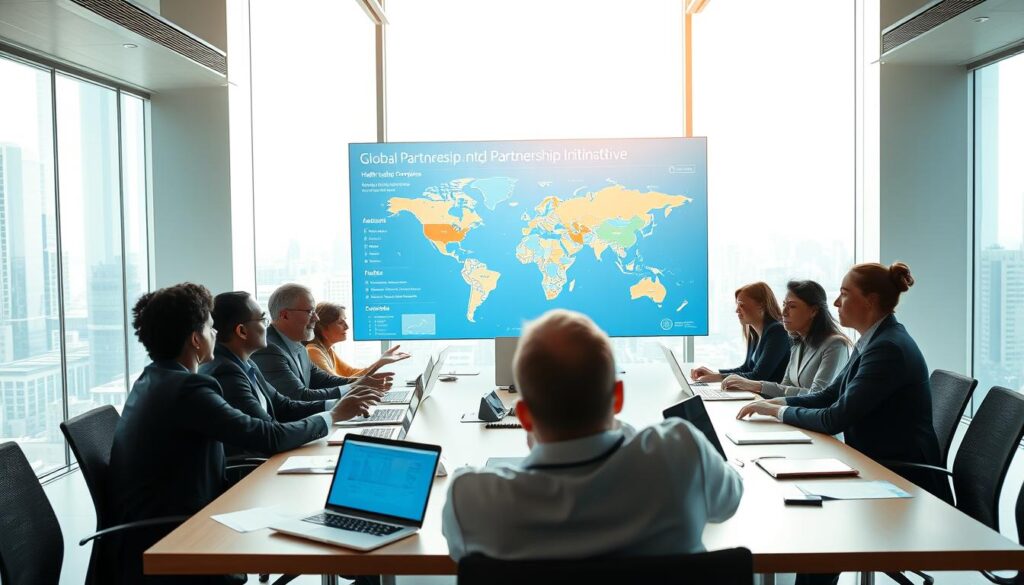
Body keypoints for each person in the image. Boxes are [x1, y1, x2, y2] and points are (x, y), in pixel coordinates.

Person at [107, 283, 370, 585]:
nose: (216, 333)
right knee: (335, 523)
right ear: (195, 339)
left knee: (327, 517)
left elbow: (281, 409)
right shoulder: (187, 390)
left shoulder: (156, 379)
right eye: (209, 327)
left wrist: (333, 411)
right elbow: (265, 436)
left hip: (184, 515)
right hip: (178, 533)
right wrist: (333, 416)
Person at [441, 309, 742, 561]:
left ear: (523, 417)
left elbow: (457, 551)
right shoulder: (680, 452)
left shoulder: (470, 499)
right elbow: (728, 502)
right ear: (618, 397)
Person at [737, 263, 945, 585]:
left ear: (870, 301)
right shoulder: (873, 340)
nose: (835, 304)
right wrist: (777, 403)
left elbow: (836, 416)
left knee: (813, 521)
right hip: (874, 463)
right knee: (802, 509)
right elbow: (830, 394)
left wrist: (778, 413)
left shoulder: (887, 348)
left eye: (845, 294)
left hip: (900, 478)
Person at [201, 291, 385, 457]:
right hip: (253, 471)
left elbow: (284, 406)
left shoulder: (246, 363)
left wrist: (340, 404)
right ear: (241, 331)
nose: (268, 326)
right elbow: (270, 435)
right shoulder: (226, 372)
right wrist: (334, 415)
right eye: (263, 319)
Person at [251, 283, 393, 402]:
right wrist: (357, 388)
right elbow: (299, 396)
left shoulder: (298, 346)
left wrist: (365, 382)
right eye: (310, 311)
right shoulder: (269, 350)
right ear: (285, 315)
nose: (316, 318)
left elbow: (324, 380)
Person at [721, 280, 851, 397]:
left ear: (814, 311)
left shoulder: (836, 345)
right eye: (784, 305)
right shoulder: (797, 342)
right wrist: (765, 405)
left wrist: (756, 386)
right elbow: (785, 386)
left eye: (792, 306)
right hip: (794, 413)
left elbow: (817, 395)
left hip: (813, 420)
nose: (784, 312)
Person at [690, 282, 790, 384]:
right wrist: (714, 374)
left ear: (761, 305)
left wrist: (718, 377)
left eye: (741, 305)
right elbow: (746, 368)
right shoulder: (754, 334)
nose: (737, 310)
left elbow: (758, 376)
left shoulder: (778, 331)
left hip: (770, 398)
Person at [305, 301, 410, 378]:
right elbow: (337, 383)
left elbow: (350, 373)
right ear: (323, 328)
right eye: (340, 323)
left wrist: (380, 363)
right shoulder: (313, 351)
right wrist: (379, 363)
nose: (347, 326)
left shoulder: (327, 349)